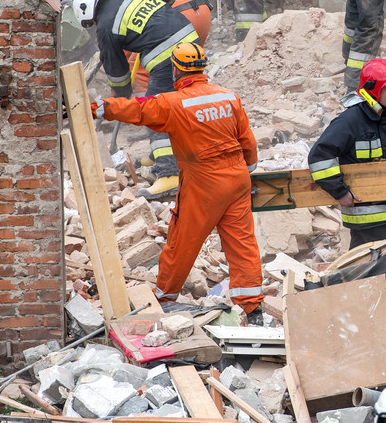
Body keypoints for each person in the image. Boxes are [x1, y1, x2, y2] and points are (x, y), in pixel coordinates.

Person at [91, 42, 266, 322]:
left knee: (182, 241)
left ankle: (165, 297)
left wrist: (97, 108)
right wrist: (246, 168)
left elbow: (136, 109)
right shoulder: (228, 97)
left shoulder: (174, 103)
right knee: (242, 244)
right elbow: (247, 141)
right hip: (238, 179)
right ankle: (252, 308)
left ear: (175, 68)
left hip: (203, 181)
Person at [72, 0, 203, 198]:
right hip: (191, 39)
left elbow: (118, 73)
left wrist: (123, 100)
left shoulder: (104, 26)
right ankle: (172, 153)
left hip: (166, 56)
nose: (94, 26)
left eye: (91, 23)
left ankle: (170, 173)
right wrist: (159, 15)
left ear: (89, 13)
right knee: (180, 104)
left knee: (156, 111)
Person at [308, 58, 386, 249]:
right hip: (363, 212)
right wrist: (340, 191)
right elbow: (319, 157)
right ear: (374, 89)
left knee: (364, 266)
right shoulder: (351, 120)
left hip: (384, 207)